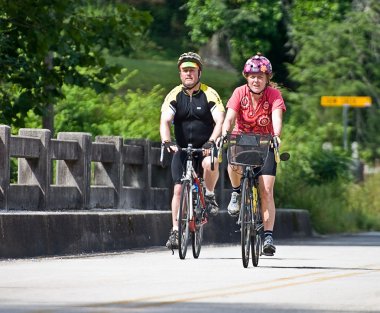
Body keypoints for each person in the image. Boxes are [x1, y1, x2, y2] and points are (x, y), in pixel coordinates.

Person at [221, 53, 286, 256]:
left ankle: (267, 236)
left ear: (267, 78)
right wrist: (224, 133)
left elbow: (277, 117)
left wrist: (276, 135)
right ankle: (237, 192)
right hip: (241, 140)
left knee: (266, 189)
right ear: (246, 77)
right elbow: (229, 117)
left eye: (260, 76)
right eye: (252, 76)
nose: (256, 80)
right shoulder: (239, 93)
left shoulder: (274, 95)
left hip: (265, 143)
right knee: (232, 160)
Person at [160, 52, 225, 249]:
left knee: (209, 163)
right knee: (178, 189)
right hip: (182, 149)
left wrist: (212, 142)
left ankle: (210, 195)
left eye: (192, 70)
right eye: (184, 70)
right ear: (180, 73)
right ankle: (175, 232)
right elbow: (165, 120)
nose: (188, 74)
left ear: (199, 72)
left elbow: (220, 120)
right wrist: (166, 141)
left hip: (205, 147)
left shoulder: (209, 94)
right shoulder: (174, 95)